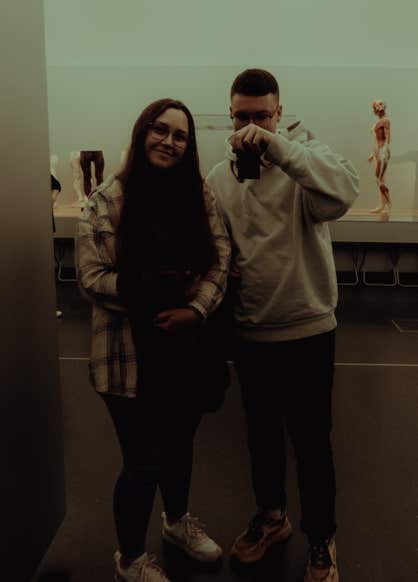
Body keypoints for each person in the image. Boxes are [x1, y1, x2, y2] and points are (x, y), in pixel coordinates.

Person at [205, 69, 359, 582]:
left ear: (279, 114)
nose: (251, 128)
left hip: (309, 330)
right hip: (253, 333)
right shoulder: (218, 178)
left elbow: (346, 191)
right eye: (242, 118)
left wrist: (281, 150)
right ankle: (272, 518)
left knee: (313, 444)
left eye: (262, 117)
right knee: (262, 439)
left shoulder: (306, 163)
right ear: (230, 116)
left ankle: (321, 538)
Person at [76, 98, 231, 582]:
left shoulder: (198, 194)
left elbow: (221, 257)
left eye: (180, 135)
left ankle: (177, 523)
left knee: (180, 445)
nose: (168, 141)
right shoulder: (107, 199)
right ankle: (129, 559)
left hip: (184, 348)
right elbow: (92, 277)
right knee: (142, 460)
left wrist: (195, 309)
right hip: (127, 355)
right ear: (143, 132)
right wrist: (156, 292)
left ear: (189, 145)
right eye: (160, 130)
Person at [368, 99, 391, 214]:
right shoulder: (381, 121)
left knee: (378, 179)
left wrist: (384, 152)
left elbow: (388, 137)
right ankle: (383, 205)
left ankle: (388, 203)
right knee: (380, 179)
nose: (375, 111)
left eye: (375, 108)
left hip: (382, 152)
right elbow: (377, 139)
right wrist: (373, 154)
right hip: (378, 152)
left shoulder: (385, 121)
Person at [50, 173, 63, 318]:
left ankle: (49, 307)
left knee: (46, 267)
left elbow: (57, 185)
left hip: (43, 220)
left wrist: (50, 201)